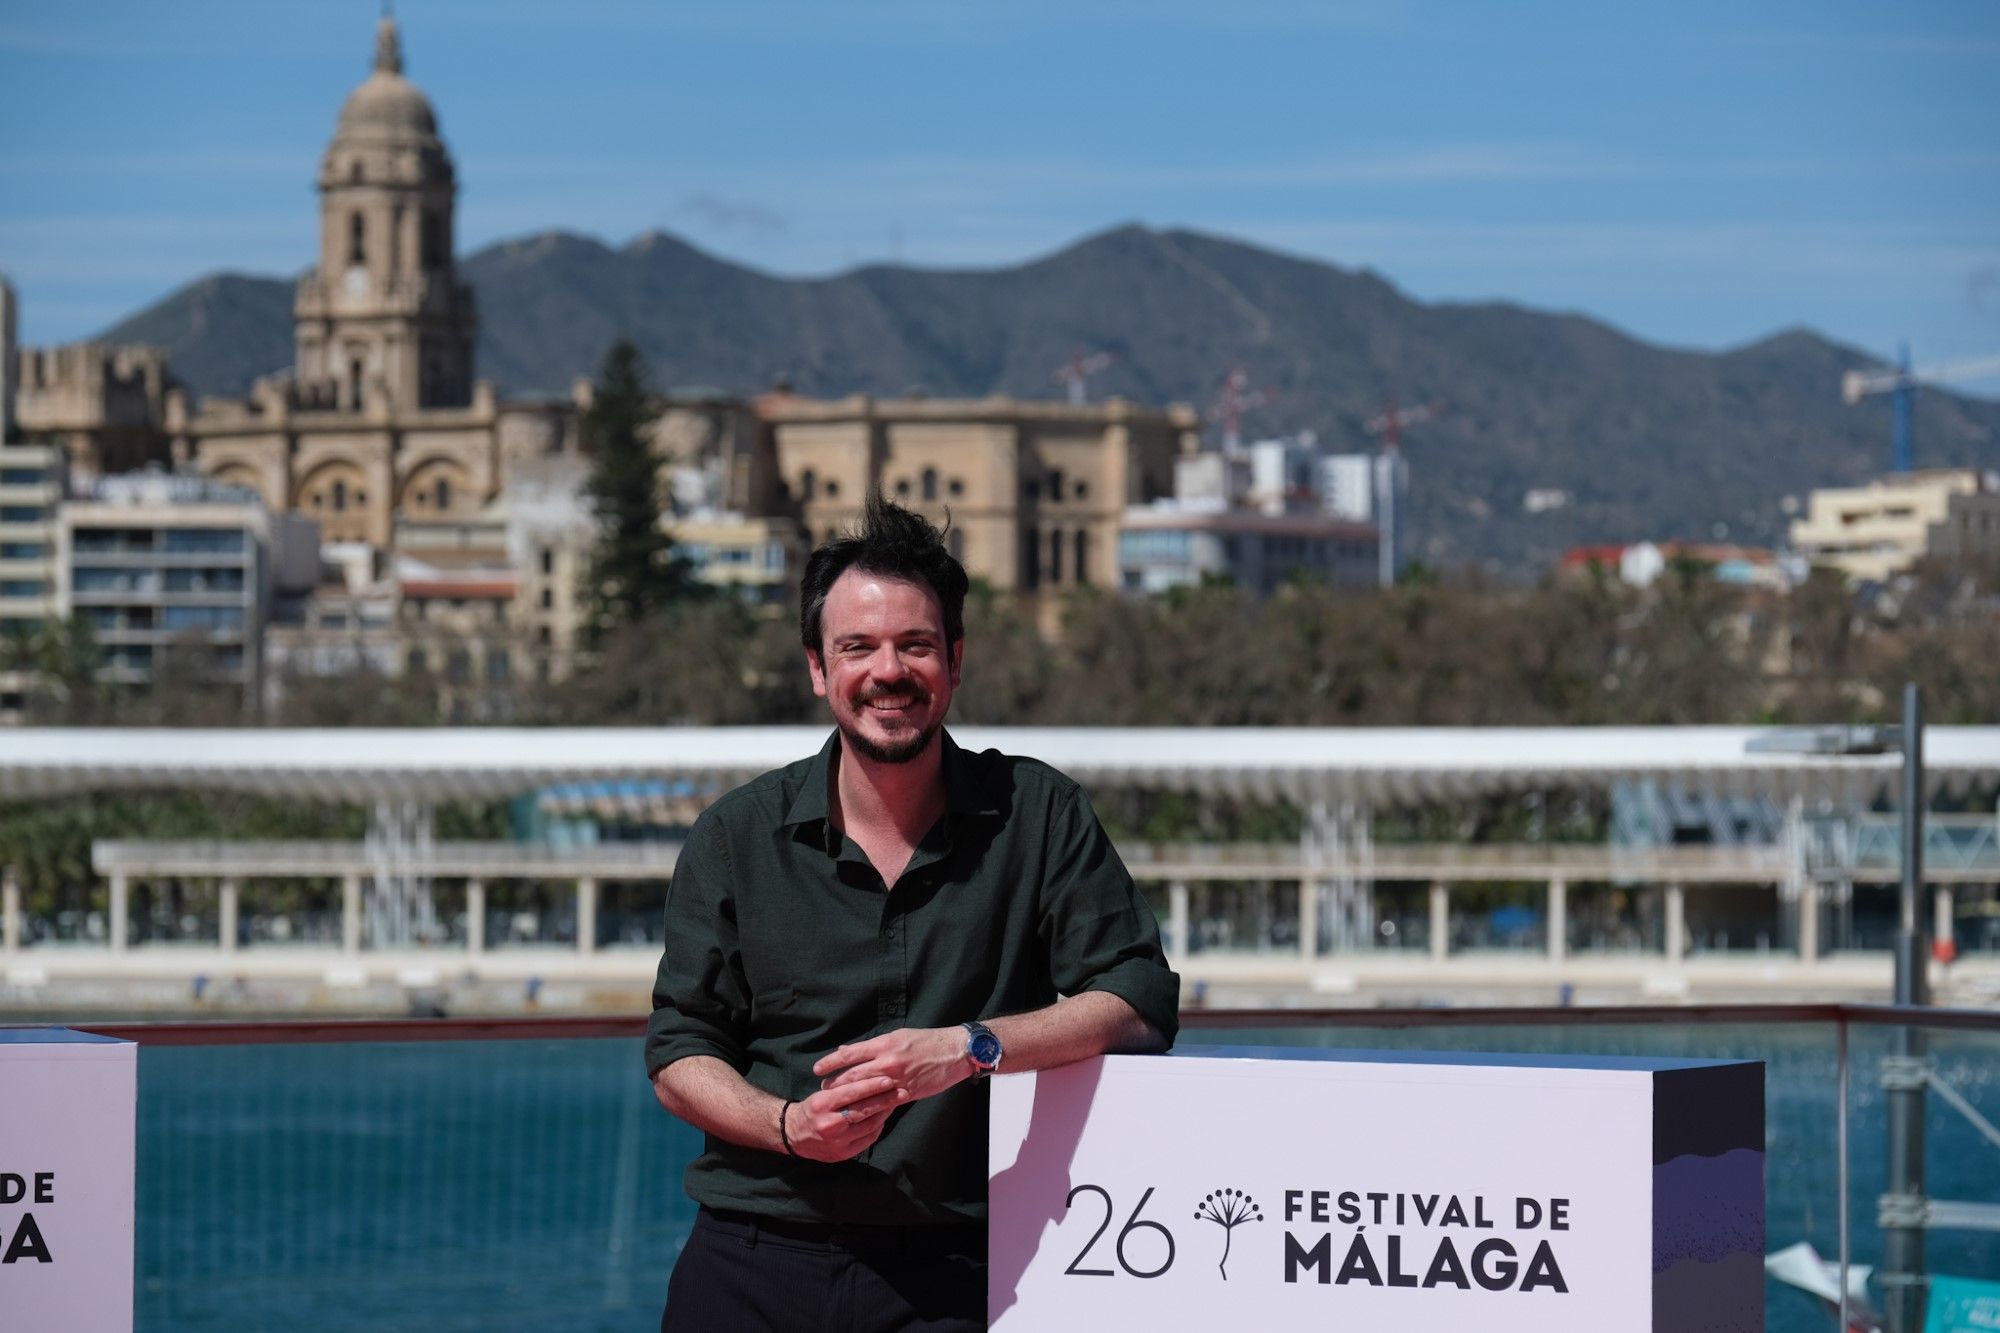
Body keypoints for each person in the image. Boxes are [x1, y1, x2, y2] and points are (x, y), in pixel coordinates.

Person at [646, 494, 1180, 1331]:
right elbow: (679, 1048)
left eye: (916, 645)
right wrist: (788, 1126)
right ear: (819, 669)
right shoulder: (735, 835)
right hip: (752, 1262)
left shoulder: (1039, 815)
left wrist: (972, 1048)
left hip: (958, 1272)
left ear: (956, 660)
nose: (887, 670)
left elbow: (1141, 997)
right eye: (857, 646)